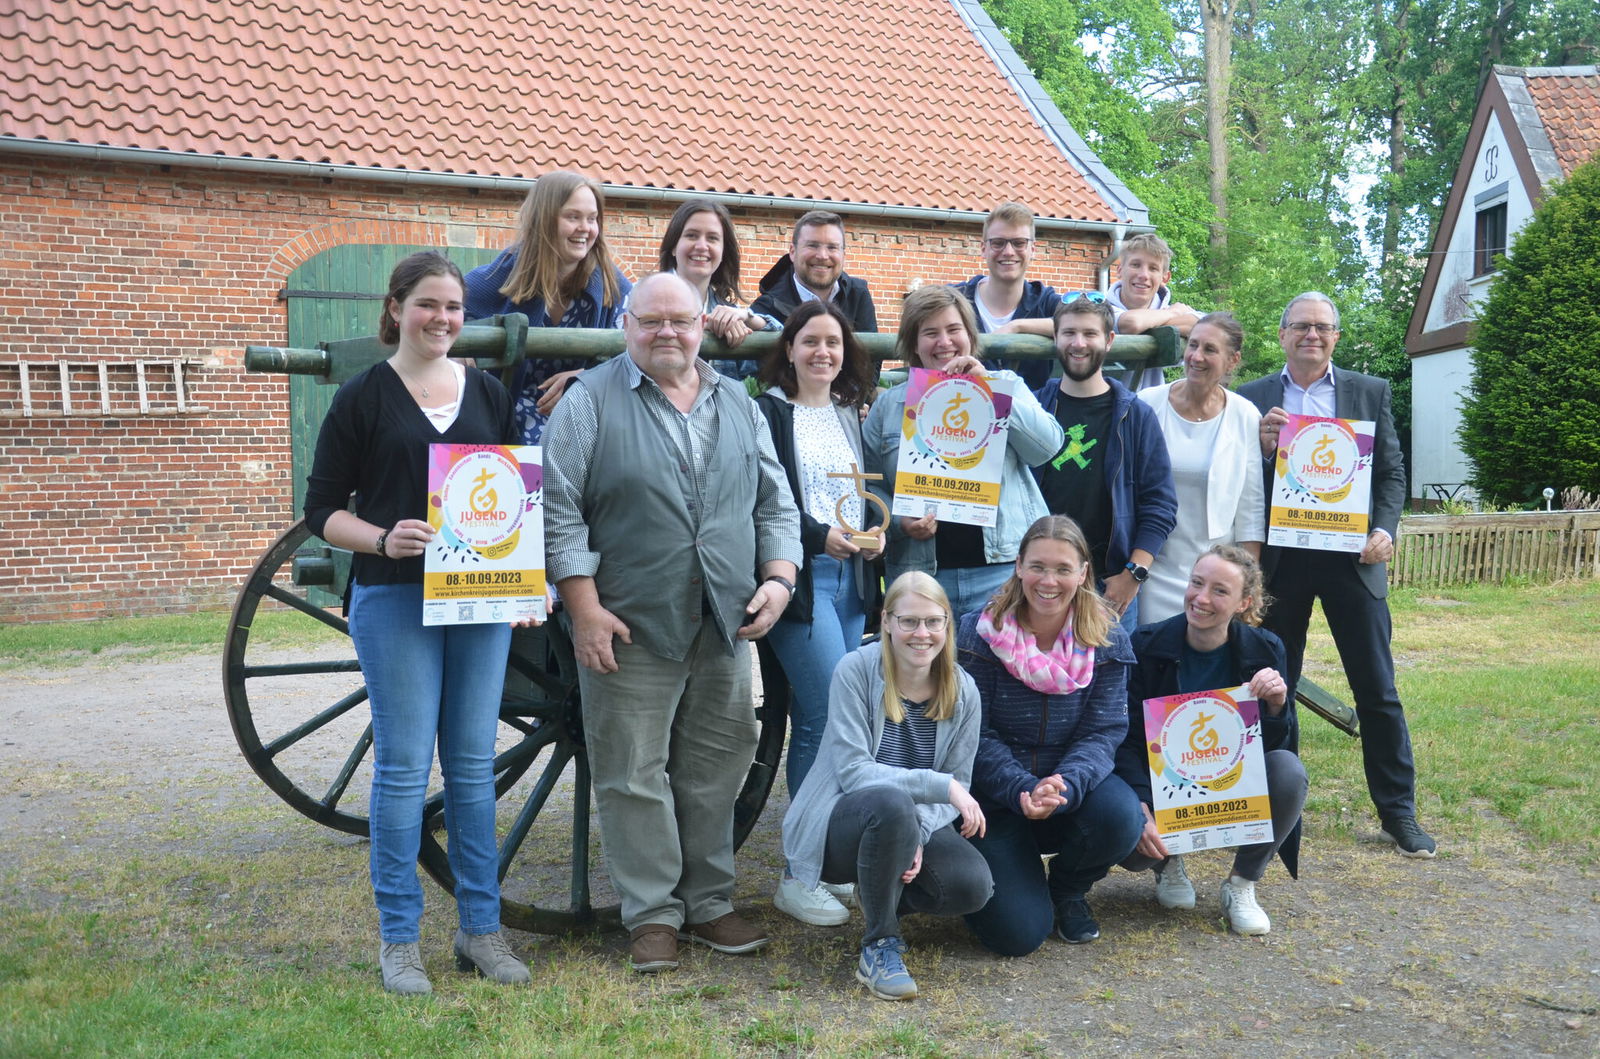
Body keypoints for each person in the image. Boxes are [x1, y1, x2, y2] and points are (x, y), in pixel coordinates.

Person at [542, 272, 803, 973]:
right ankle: (653, 913)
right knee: (631, 771)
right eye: (650, 320)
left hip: (723, 618)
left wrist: (779, 577)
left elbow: (775, 503)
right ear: (627, 325)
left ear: (700, 327)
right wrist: (585, 608)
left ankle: (708, 900)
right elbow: (558, 510)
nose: (667, 333)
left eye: (681, 321)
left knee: (716, 764)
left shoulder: (736, 403)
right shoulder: (588, 402)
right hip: (628, 620)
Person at [303, 252, 533, 995]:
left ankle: (481, 929)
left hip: (477, 600)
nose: (442, 319)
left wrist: (527, 577)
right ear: (396, 306)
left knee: (472, 767)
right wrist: (378, 537)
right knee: (403, 770)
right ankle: (400, 940)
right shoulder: (364, 396)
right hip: (394, 595)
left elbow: (510, 499)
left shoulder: (490, 393)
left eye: (454, 308)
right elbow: (322, 510)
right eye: (428, 304)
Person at [1239, 292, 1436, 858]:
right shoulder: (1252, 400)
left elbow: (1392, 474)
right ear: (1281, 334)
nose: (1312, 335)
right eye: (1300, 325)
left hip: (1354, 560)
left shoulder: (1369, 392)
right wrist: (1262, 446)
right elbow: (1242, 478)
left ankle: (1399, 813)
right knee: (1274, 684)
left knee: (1377, 689)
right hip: (1281, 562)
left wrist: (1386, 530)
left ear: (1336, 338)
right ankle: (1273, 814)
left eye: (1323, 327)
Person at [782, 572, 994, 1001]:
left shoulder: (964, 690)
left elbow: (961, 777)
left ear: (947, 626)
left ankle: (879, 888)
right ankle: (880, 945)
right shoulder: (855, 670)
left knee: (973, 886)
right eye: (909, 621)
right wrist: (938, 788)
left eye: (934, 622)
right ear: (887, 623)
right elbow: (854, 773)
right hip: (840, 822)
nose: (922, 634)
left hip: (907, 819)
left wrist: (915, 831)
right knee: (892, 802)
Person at [755, 301, 884, 926]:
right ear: (790, 349)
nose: (822, 353)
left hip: (852, 581)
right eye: (810, 341)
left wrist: (873, 532)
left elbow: (858, 496)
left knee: (823, 721)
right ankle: (799, 873)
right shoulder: (768, 413)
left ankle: (822, 863)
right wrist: (816, 538)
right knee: (829, 718)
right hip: (799, 582)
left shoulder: (847, 415)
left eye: (833, 342)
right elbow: (763, 501)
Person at [958, 515, 1141, 956]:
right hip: (995, 795)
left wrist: (1064, 785)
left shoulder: (1108, 638)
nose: (1049, 580)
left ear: (1083, 574)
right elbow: (972, 734)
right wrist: (1022, 787)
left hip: (1065, 785)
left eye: (1063, 569)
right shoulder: (975, 635)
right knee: (1018, 936)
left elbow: (1104, 731)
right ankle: (997, 880)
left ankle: (1067, 889)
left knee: (1122, 817)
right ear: (1018, 566)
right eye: (1038, 566)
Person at [1116, 545, 1307, 936]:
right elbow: (1129, 740)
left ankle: (1241, 884)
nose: (1201, 598)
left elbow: (1275, 745)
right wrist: (1139, 806)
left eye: (1220, 591)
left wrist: (1275, 706)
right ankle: (1168, 863)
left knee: (1288, 771)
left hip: (1231, 780)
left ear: (1244, 603)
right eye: (1197, 583)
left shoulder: (1266, 649)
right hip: (1167, 784)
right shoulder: (1146, 644)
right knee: (1126, 834)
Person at [862, 285, 1063, 618]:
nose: (944, 342)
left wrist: (991, 392)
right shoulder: (888, 403)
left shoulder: (1004, 384)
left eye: (954, 330)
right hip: (921, 577)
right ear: (914, 343)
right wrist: (898, 521)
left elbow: (1047, 447)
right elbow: (869, 485)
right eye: (930, 333)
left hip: (1001, 573)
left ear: (970, 335)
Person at [1033, 296, 1177, 634]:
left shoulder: (1135, 415)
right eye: (1068, 333)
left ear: (1109, 340)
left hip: (1109, 587)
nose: (1078, 343)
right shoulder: (1034, 407)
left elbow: (1161, 503)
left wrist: (1133, 574)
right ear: (1056, 338)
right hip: (1040, 583)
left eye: (1090, 333)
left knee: (1109, 687)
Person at [464, 170, 632, 444]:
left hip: (582, 421)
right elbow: (443, 314)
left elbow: (640, 353)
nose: (586, 228)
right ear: (544, 219)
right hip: (502, 419)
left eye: (592, 219)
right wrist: (456, 349)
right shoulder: (497, 277)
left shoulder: (613, 286)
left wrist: (588, 378)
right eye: (573, 217)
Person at [1135, 311, 1265, 623]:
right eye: (1193, 345)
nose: (1196, 356)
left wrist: (1245, 584)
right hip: (1151, 569)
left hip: (1213, 578)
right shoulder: (1146, 403)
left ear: (1232, 360)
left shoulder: (1245, 415)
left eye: (1209, 349)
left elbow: (1251, 507)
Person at [653, 198, 780, 379]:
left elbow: (787, 350)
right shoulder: (640, 300)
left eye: (712, 238)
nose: (701, 246)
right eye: (691, 235)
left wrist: (749, 318)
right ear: (673, 246)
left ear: (723, 252)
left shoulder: (732, 320)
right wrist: (698, 325)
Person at [949, 201, 1063, 389]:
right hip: (960, 411)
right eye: (998, 243)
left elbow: (1093, 319)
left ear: (1032, 249)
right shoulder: (954, 299)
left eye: (1019, 243)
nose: (1008, 252)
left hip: (1027, 415)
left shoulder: (1045, 301)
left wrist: (1016, 327)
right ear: (983, 249)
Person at [750, 210, 879, 330]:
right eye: (812, 245)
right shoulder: (767, 307)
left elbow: (871, 353)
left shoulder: (857, 295)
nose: (822, 256)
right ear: (793, 252)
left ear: (843, 255)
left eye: (832, 247)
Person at [1106, 233, 1201, 391]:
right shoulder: (1098, 308)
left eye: (1153, 268)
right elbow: (1131, 323)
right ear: (1120, 270)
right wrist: (1173, 313)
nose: (1143, 275)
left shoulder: (1173, 311)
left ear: (1165, 277)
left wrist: (1152, 322)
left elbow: (1202, 325)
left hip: (1149, 411)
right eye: (1135, 265)